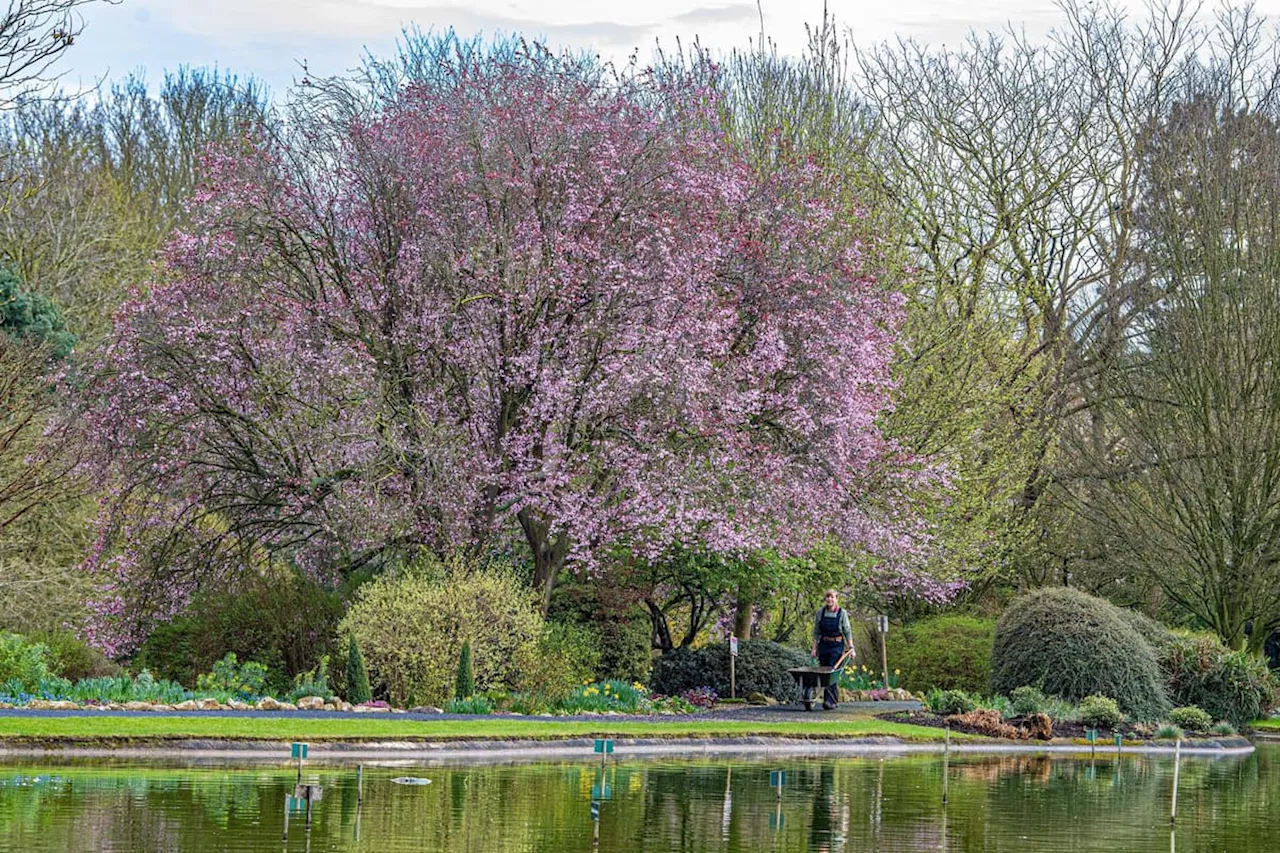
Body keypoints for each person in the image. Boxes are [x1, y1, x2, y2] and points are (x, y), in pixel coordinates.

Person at [811, 589, 853, 710]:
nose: (829, 599)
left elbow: (847, 631)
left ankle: (830, 701)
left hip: (837, 645)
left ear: (836, 599)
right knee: (824, 672)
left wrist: (851, 647)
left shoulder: (842, 613)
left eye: (832, 597)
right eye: (827, 597)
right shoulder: (820, 613)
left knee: (832, 671)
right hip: (824, 645)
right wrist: (814, 649)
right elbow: (816, 632)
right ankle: (830, 700)